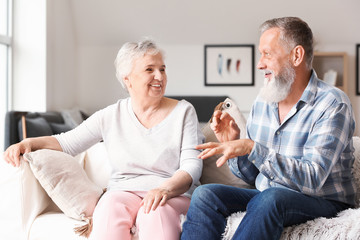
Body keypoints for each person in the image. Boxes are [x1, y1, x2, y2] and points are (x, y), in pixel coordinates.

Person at [3, 39, 204, 240]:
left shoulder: (183, 112)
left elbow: (192, 167)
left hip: (171, 194)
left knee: (154, 213)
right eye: (149, 70)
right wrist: (28, 143)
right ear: (128, 79)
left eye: (162, 69)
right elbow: (67, 142)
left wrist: (164, 189)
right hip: (123, 192)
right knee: (109, 207)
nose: (159, 76)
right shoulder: (110, 115)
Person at [181, 17, 356, 240]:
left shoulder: (332, 103)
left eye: (267, 54)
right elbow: (254, 175)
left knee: (272, 198)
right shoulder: (263, 101)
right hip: (266, 194)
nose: (259, 64)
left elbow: (313, 178)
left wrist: (253, 148)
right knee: (205, 194)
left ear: (296, 55)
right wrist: (234, 146)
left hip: (323, 201)